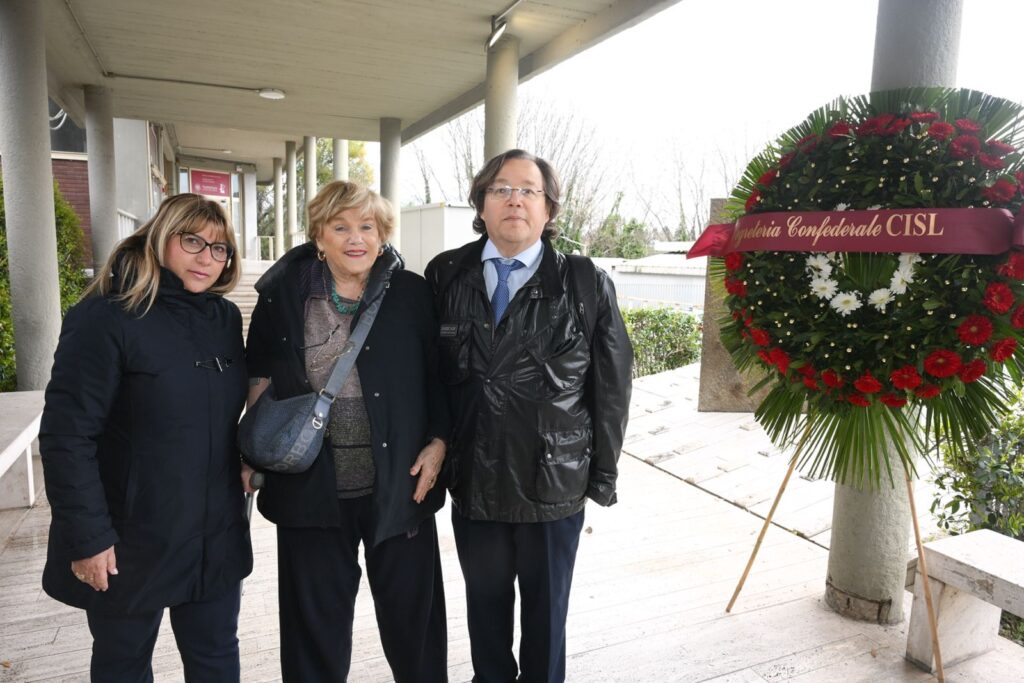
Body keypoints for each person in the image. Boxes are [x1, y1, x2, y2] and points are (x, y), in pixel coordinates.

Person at [425, 149, 633, 683]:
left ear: (548, 208)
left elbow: (612, 389)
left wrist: (602, 475)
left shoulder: (584, 283)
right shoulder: (447, 274)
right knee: (484, 614)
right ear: (481, 204)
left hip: (552, 483)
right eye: (501, 189)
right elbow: (430, 377)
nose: (514, 200)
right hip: (475, 480)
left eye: (528, 190)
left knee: (546, 618)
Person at [39, 193, 253, 682]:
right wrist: (89, 538)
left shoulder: (223, 318)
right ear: (159, 239)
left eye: (219, 248)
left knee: (217, 656)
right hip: (129, 538)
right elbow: (67, 436)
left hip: (214, 533)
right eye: (192, 241)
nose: (207, 257)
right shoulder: (106, 316)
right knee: (124, 664)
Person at [243, 180, 449, 682]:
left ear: (382, 234)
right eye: (340, 227)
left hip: (400, 484)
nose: (356, 238)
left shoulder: (412, 293)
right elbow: (259, 376)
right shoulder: (282, 295)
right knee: (313, 635)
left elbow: (442, 376)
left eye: (367, 227)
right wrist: (253, 450)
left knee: (415, 632)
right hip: (309, 490)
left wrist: (441, 442)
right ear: (319, 236)